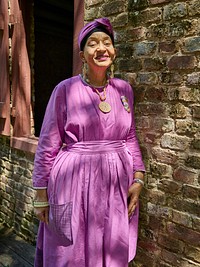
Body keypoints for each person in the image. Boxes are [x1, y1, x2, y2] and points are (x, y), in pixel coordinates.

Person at [32, 17, 145, 267]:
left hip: (115, 182)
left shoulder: (124, 90)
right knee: (68, 250)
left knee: (110, 245)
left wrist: (138, 177)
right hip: (72, 181)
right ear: (83, 55)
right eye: (93, 44)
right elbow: (48, 144)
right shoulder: (65, 90)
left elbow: (130, 136)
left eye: (107, 42)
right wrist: (40, 194)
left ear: (114, 51)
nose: (101, 48)